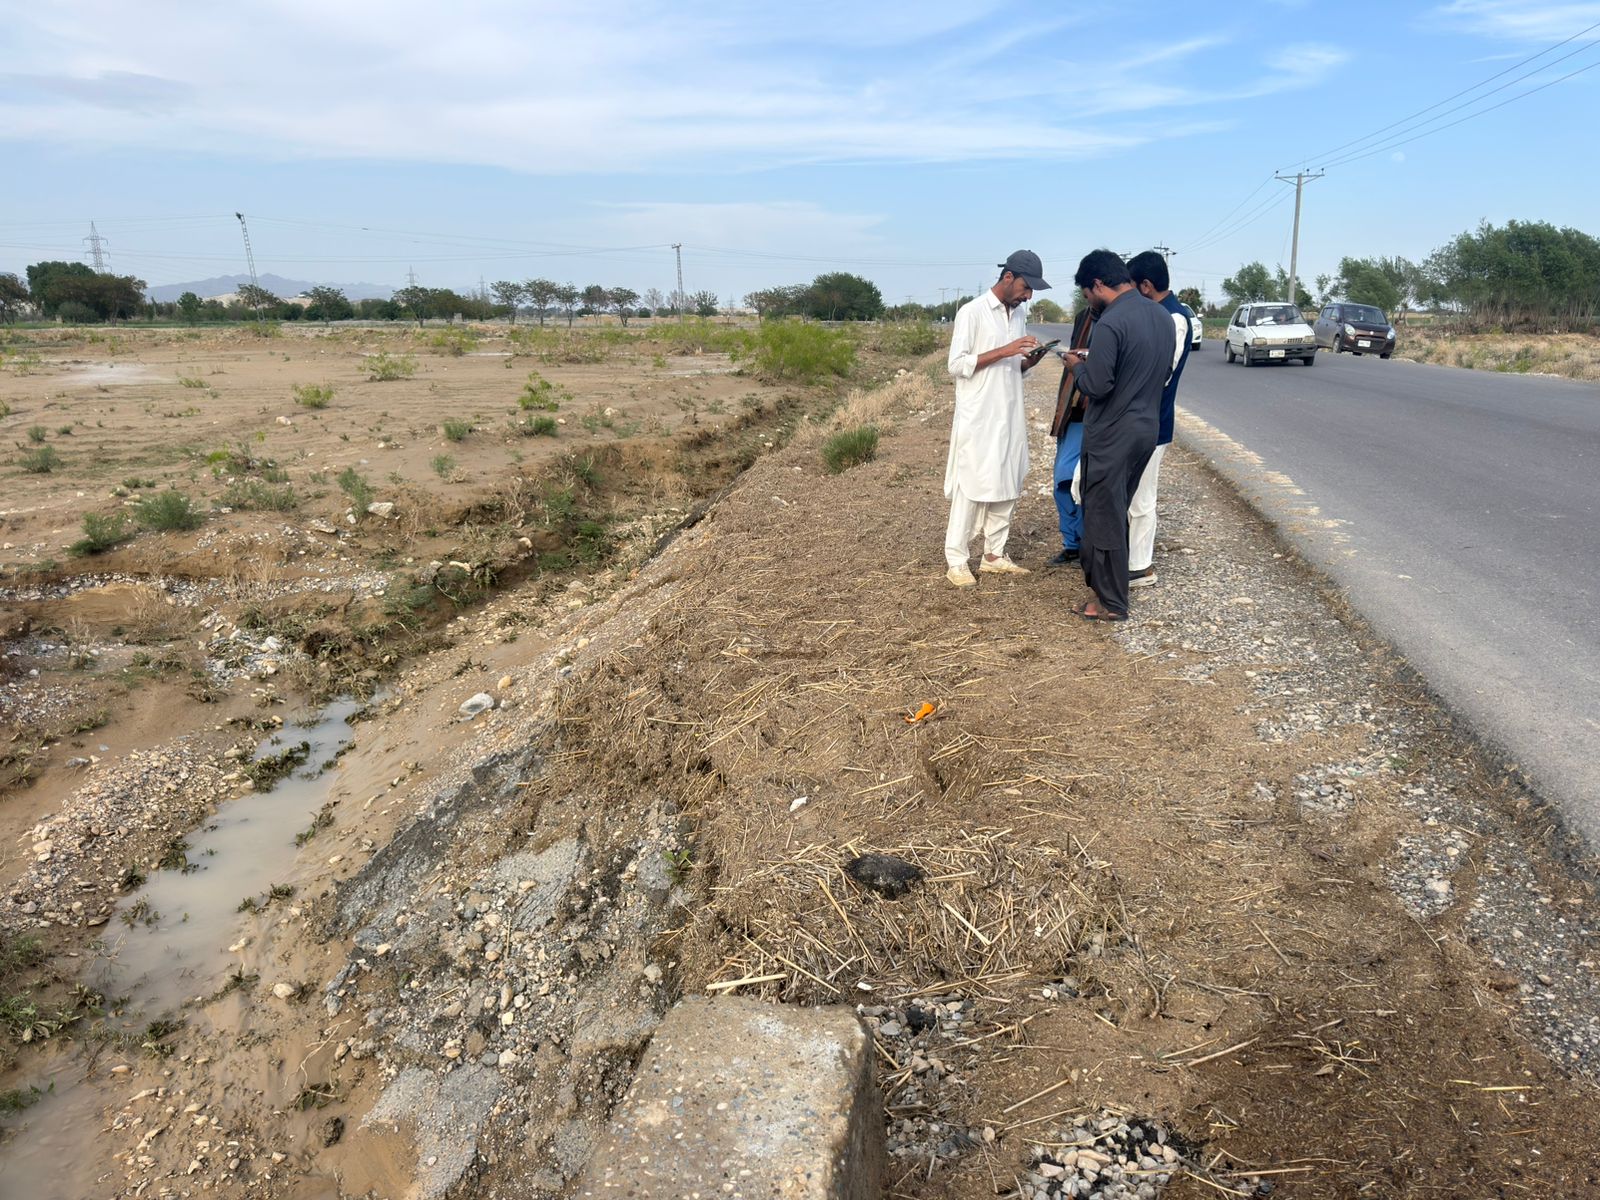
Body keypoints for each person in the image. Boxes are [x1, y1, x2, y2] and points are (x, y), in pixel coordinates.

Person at [1065, 249, 1175, 621]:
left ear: (1097, 284)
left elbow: (1097, 385)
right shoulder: (1161, 316)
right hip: (1146, 429)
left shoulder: (1111, 322)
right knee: (1118, 507)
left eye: (1086, 294)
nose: (1088, 302)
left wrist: (1077, 367)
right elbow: (1155, 372)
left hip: (1112, 433)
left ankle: (1111, 602)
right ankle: (1110, 590)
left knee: (1103, 515)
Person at [942, 250, 1053, 587]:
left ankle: (994, 555)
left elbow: (1013, 366)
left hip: (1009, 411)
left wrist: (1029, 361)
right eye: (1026, 287)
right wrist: (1006, 350)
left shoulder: (1017, 314)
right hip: (979, 416)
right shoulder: (972, 312)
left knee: (1008, 480)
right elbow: (956, 364)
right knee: (971, 485)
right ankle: (957, 561)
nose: (1028, 296)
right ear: (1008, 277)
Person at [1124, 250, 1193, 587]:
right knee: (1132, 493)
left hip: (1154, 421)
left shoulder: (1174, 319)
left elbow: (1161, 373)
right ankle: (1129, 558)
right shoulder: (1158, 314)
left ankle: (1140, 567)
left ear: (1146, 286)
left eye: (1131, 287)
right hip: (1140, 419)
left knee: (1142, 496)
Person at [1047, 304, 1096, 566]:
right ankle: (1072, 544)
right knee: (1064, 479)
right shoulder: (1084, 317)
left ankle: (1086, 543)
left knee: (1086, 483)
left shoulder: (1122, 318)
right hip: (1073, 411)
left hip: (1100, 416)